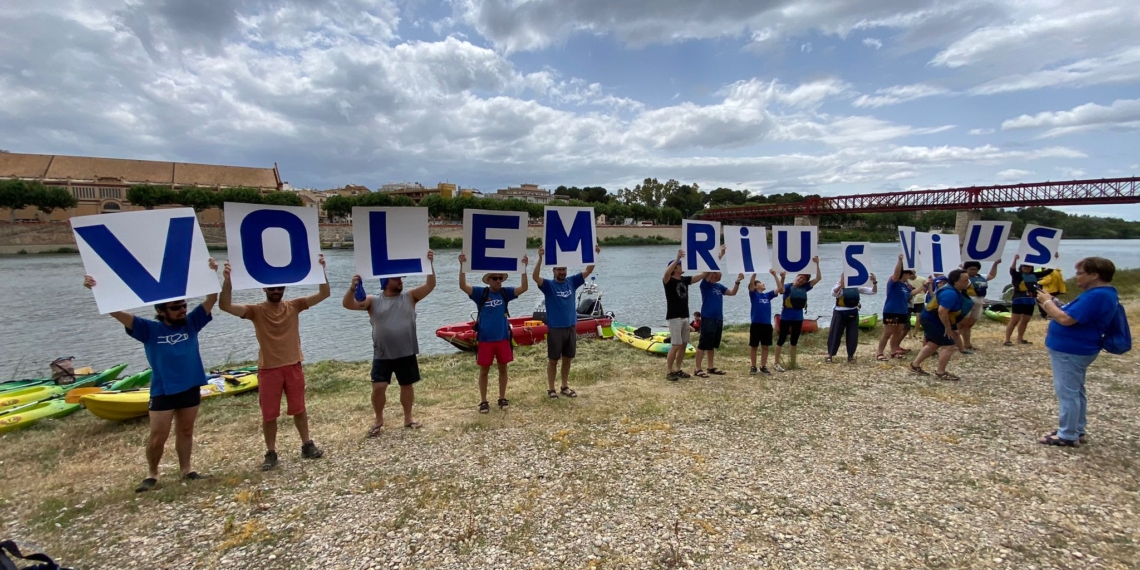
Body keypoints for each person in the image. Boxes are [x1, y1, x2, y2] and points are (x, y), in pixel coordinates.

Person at [83, 259, 218, 493]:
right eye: (176, 307)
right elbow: (114, 311)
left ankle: (186, 470)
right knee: (158, 435)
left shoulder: (191, 323)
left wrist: (211, 274)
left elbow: (211, 299)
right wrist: (96, 288)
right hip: (163, 390)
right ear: (160, 311)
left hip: (190, 386)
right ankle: (152, 474)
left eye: (183, 305)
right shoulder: (149, 329)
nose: (182, 310)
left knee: (186, 431)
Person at [219, 255, 330, 470]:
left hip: (293, 365)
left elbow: (324, 293)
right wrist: (227, 280)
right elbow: (224, 305)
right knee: (269, 413)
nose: (276, 291)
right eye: (271, 288)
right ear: (264, 289)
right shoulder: (255, 311)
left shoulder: (294, 306)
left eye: (279, 287)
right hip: (268, 369)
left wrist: (321, 270)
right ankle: (270, 452)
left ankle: (307, 444)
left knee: (299, 408)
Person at [342, 252, 436, 435]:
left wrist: (429, 265)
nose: (400, 280)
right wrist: (352, 288)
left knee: (407, 386)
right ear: (385, 282)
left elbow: (430, 285)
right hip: (383, 353)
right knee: (378, 387)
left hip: (406, 351)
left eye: (400, 277)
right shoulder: (372, 301)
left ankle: (408, 418)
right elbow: (347, 304)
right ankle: (378, 420)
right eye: (396, 278)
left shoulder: (410, 297)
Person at [1036, 257, 1118, 447]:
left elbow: (1066, 319)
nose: (1077, 277)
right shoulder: (1101, 294)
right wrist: (1054, 302)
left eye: (1080, 273)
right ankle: (1076, 428)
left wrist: (1048, 303)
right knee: (1075, 390)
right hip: (1077, 348)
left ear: (1094, 275)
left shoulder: (1096, 295)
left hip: (1072, 349)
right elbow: (1074, 313)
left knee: (1068, 392)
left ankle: (1068, 434)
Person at [459, 253, 529, 412]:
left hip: (503, 339)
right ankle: (483, 401)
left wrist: (524, 268)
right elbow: (463, 286)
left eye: (500, 278)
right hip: (485, 340)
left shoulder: (506, 293)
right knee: (484, 371)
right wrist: (462, 266)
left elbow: (524, 288)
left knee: (503, 369)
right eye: (495, 278)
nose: (498, 281)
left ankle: (502, 398)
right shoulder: (480, 293)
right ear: (488, 280)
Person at [532, 245, 600, 398]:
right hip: (555, 328)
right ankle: (551, 389)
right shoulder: (549, 285)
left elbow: (588, 270)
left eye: (564, 269)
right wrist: (540, 259)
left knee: (567, 359)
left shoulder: (572, 281)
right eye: (559, 269)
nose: (562, 272)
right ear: (553, 271)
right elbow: (535, 277)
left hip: (570, 326)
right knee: (553, 360)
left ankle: (564, 386)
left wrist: (594, 255)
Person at [909, 269, 970, 381]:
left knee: (933, 344)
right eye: (965, 280)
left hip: (930, 317)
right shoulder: (950, 293)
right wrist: (948, 328)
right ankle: (941, 372)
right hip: (934, 319)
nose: (968, 282)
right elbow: (942, 311)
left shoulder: (954, 290)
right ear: (955, 281)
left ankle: (915, 365)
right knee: (949, 345)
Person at [663, 250, 707, 380]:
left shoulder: (685, 280)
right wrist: (676, 259)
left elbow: (703, 275)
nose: (683, 267)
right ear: (675, 268)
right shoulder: (669, 281)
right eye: (680, 265)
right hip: (674, 317)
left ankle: (678, 369)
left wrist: (717, 258)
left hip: (685, 316)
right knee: (676, 345)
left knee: (683, 345)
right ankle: (669, 371)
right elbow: (666, 273)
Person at [772, 257, 822, 372]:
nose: (801, 280)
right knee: (781, 339)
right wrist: (782, 278)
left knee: (794, 341)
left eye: (804, 279)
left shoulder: (805, 288)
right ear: (796, 276)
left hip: (798, 318)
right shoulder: (788, 287)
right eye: (800, 277)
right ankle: (776, 363)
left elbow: (818, 278)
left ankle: (793, 363)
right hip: (786, 317)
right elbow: (780, 290)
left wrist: (817, 264)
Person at [693, 271, 744, 377]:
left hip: (718, 318)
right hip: (708, 318)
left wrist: (737, 282)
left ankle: (710, 367)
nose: (721, 274)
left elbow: (732, 292)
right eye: (719, 272)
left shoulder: (719, 286)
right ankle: (697, 368)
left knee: (712, 345)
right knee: (703, 344)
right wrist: (718, 258)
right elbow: (708, 272)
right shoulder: (705, 285)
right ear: (713, 274)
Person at [1004, 254, 1056, 346]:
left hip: (1030, 301)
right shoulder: (1018, 275)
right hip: (1018, 300)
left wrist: (1053, 259)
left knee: (1025, 320)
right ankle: (1007, 340)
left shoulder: (1035, 275)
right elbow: (1012, 270)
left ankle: (1020, 338)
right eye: (1025, 266)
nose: (1027, 268)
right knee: (1014, 320)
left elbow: (1049, 271)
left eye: (1029, 267)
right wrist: (1015, 259)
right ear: (1021, 267)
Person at [826, 271, 877, 363]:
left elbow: (873, 291)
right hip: (839, 312)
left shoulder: (856, 287)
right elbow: (833, 293)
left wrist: (874, 282)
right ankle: (830, 355)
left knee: (853, 335)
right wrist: (841, 285)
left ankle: (850, 356)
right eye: (844, 277)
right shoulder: (838, 286)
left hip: (853, 312)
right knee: (835, 333)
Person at [877, 254, 916, 361]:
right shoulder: (893, 282)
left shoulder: (905, 285)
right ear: (905, 274)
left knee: (897, 333)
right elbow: (896, 273)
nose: (910, 277)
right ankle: (880, 353)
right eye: (909, 274)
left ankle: (893, 351)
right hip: (891, 311)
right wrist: (900, 261)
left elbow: (911, 293)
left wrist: (926, 286)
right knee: (887, 333)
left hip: (902, 312)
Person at [958, 259, 1001, 352]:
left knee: (969, 325)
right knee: (961, 324)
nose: (973, 271)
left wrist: (995, 263)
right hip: (967, 302)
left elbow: (992, 275)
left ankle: (967, 344)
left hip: (979, 302)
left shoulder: (981, 276)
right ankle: (955, 344)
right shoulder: (963, 278)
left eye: (975, 269)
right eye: (971, 269)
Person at [748, 269, 783, 374]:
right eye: (760, 283)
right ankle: (753, 366)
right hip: (756, 324)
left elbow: (780, 288)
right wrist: (755, 272)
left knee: (765, 346)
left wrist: (775, 275)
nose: (763, 284)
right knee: (754, 346)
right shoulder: (753, 294)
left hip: (766, 325)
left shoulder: (767, 295)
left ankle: (763, 366)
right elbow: (750, 283)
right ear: (755, 286)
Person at [906, 273, 928, 339]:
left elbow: (926, 288)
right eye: (910, 274)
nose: (910, 275)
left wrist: (923, 293)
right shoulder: (906, 280)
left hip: (920, 301)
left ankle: (915, 333)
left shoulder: (922, 279)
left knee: (919, 318)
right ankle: (908, 333)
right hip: (910, 302)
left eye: (912, 274)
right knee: (907, 318)